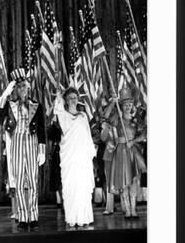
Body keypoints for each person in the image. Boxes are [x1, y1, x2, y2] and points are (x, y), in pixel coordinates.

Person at [0, 69, 46, 231]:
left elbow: (42, 129)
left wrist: (42, 150)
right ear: (15, 89)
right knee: (18, 180)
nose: (23, 89)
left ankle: (34, 215)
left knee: (32, 180)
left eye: (25, 86)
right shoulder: (10, 105)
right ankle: (23, 216)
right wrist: (5, 94)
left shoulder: (36, 105)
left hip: (31, 141)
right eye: (20, 87)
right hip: (16, 141)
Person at [53, 88, 96, 228]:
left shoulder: (83, 116)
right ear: (66, 100)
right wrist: (58, 97)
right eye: (70, 98)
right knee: (71, 187)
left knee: (83, 188)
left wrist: (91, 153)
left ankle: (84, 217)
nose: (73, 100)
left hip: (82, 158)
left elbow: (88, 136)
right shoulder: (64, 116)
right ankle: (72, 218)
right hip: (70, 159)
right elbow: (57, 109)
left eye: (75, 97)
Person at [104, 87, 147, 219]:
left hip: (132, 151)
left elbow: (145, 133)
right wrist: (113, 103)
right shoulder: (118, 119)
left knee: (134, 180)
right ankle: (127, 210)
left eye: (130, 104)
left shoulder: (136, 120)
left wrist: (133, 141)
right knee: (124, 181)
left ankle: (134, 210)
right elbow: (105, 117)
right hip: (121, 151)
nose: (128, 106)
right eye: (125, 104)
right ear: (121, 106)